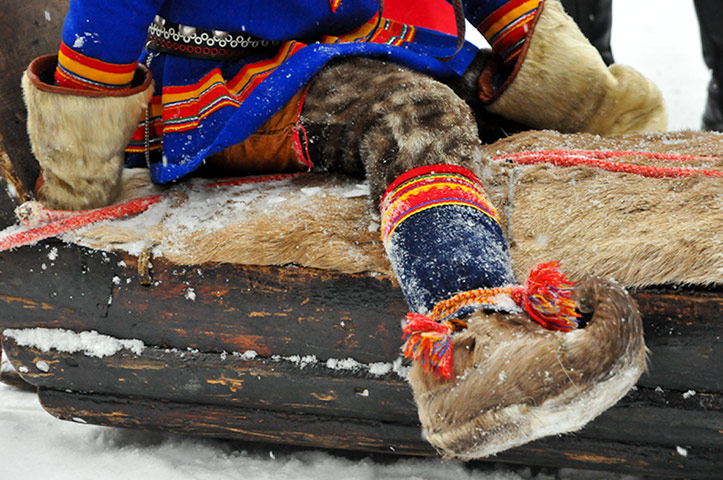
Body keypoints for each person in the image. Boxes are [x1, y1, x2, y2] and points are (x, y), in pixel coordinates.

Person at [22, 0, 661, 458]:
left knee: (472, 109)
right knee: (416, 118)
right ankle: (473, 344)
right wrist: (86, 166)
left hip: (397, 50)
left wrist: (589, 101)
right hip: (248, 84)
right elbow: (106, 17)